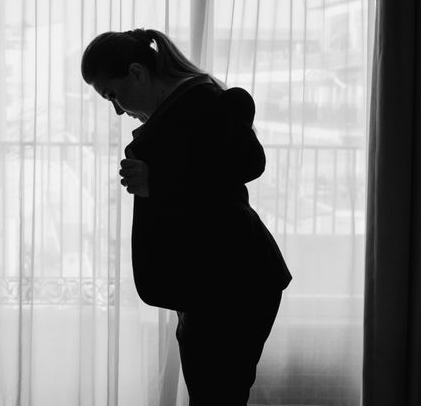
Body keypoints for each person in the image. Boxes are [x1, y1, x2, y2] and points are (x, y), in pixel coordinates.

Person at [81, 28, 292, 405]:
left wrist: (156, 180)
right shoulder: (176, 110)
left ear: (137, 73)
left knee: (216, 396)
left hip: (236, 282)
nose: (116, 108)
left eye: (113, 94)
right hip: (210, 285)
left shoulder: (204, 101)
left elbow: (248, 162)